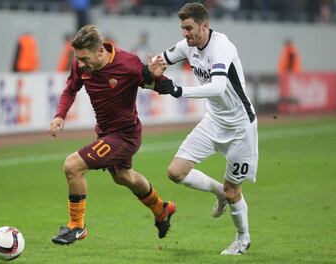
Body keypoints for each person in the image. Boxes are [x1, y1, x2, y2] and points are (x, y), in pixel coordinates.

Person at [49, 25, 176, 245]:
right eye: (77, 58)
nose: (80, 64)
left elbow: (163, 86)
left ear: (100, 51)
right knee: (123, 177)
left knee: (72, 166)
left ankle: (77, 226)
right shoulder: (81, 66)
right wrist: (60, 115)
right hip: (106, 133)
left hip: (125, 135)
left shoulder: (128, 64)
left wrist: (157, 77)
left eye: (84, 58)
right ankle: (161, 209)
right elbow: (71, 89)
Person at [150, 2, 258, 255]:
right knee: (175, 172)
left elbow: (218, 87)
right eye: (182, 28)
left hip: (240, 127)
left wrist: (178, 90)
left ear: (204, 25)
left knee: (234, 191)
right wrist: (148, 70)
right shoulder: (186, 46)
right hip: (214, 121)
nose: (185, 33)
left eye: (189, 28)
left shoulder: (222, 47)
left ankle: (243, 239)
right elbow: (159, 61)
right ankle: (218, 192)